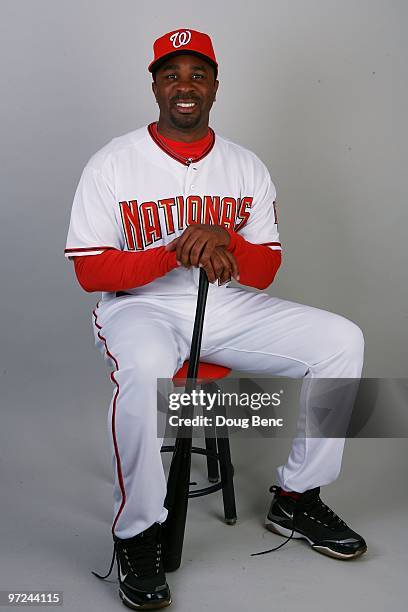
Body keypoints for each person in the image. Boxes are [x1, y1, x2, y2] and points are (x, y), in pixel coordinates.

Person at [65, 28, 366, 611]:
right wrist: (175, 249)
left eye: (197, 75)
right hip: (140, 306)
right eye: (172, 74)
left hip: (225, 305)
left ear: (215, 87)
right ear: (154, 84)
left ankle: (297, 499)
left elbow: (266, 267)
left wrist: (223, 236)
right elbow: (91, 271)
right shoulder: (113, 162)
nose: (185, 86)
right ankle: (138, 532)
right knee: (146, 369)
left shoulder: (244, 166)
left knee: (341, 341)